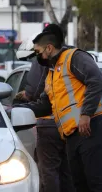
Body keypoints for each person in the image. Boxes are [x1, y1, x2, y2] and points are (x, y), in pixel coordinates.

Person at [12, 24, 102, 192]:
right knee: (79, 185)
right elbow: (45, 105)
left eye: (38, 52)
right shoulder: (52, 73)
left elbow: (96, 81)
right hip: (72, 135)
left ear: (49, 48)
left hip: (93, 128)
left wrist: (86, 115)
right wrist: (16, 111)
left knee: (97, 184)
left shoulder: (74, 57)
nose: (38, 57)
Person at [13, 32, 75, 192]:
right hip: (69, 124)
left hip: (48, 124)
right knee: (67, 171)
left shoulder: (40, 63)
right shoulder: (68, 60)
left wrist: (24, 97)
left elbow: (34, 92)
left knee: (48, 170)